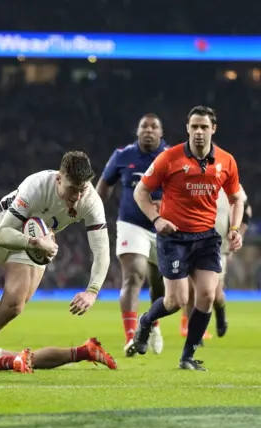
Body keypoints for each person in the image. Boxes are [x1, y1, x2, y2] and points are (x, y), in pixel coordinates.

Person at [0, 151, 110, 360]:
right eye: (72, 189)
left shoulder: (90, 202)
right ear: (59, 179)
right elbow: (2, 234)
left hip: (37, 238)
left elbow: (101, 250)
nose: (77, 197)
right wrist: (36, 242)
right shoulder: (37, 186)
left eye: (82, 189)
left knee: (14, 306)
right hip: (4, 226)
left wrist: (92, 291)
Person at [130, 106, 244, 371]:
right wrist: (157, 219)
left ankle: (187, 357)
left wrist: (235, 229)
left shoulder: (226, 161)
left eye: (204, 127)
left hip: (206, 237)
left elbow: (237, 198)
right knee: (176, 301)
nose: (199, 132)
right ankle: (146, 321)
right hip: (174, 237)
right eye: (194, 127)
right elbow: (140, 191)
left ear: (213, 129)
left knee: (206, 295)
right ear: (187, 129)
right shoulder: (169, 158)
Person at [96, 114, 167, 356]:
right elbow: (104, 185)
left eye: (154, 126)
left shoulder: (172, 156)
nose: (148, 130)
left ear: (161, 133)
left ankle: (152, 323)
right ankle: (131, 337)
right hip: (131, 223)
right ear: (137, 132)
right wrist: (96, 214)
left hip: (163, 227)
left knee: (160, 287)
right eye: (144, 126)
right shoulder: (122, 156)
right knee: (134, 274)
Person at [180, 186, 251, 338]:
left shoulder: (229, 181)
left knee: (215, 293)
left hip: (219, 246)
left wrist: (238, 234)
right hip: (192, 242)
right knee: (191, 290)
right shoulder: (195, 180)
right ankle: (195, 332)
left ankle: (220, 312)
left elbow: (246, 212)